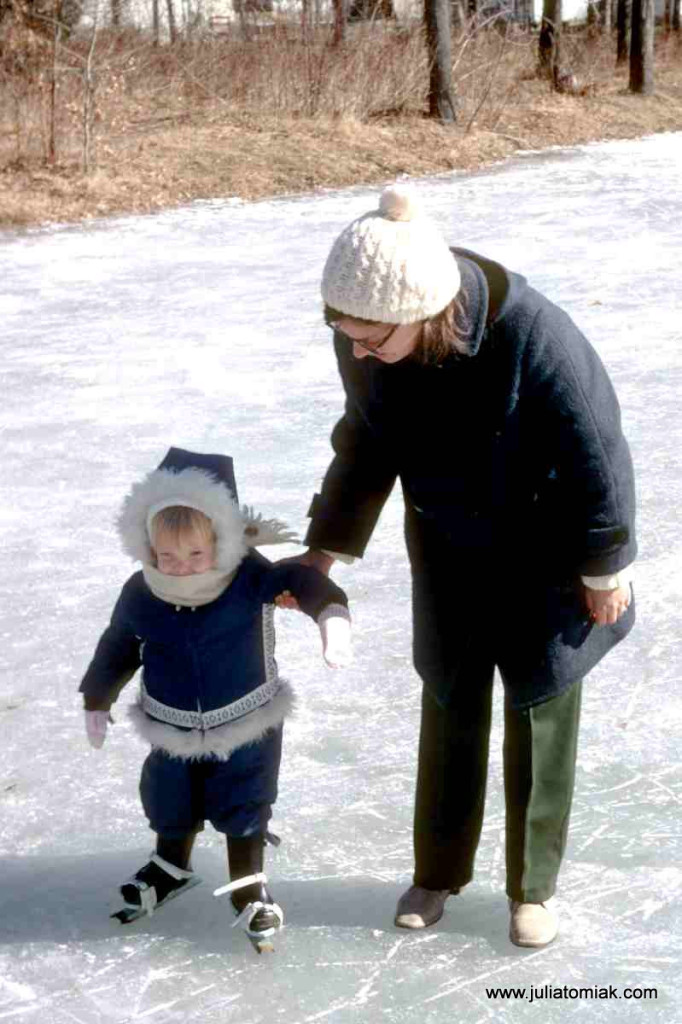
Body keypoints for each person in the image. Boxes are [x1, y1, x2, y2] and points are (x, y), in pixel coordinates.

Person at [296, 184, 636, 948]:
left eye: (370, 338)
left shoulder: (532, 335)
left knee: (539, 713)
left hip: (547, 558)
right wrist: (326, 545)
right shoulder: (369, 337)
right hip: (448, 550)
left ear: (423, 313)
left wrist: (605, 566)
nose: (355, 350)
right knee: (450, 704)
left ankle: (532, 889)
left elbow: (598, 451)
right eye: (341, 332)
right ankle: (438, 872)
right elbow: (367, 440)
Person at [79, 447, 351, 944]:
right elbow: (119, 643)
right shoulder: (142, 590)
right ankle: (170, 866)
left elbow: (302, 581)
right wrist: (97, 696)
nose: (181, 568)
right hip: (169, 720)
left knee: (244, 799)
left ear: (222, 541)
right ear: (148, 547)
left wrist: (330, 616)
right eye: (167, 556)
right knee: (169, 796)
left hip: (246, 716)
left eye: (196, 554)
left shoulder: (247, 577)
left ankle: (248, 886)